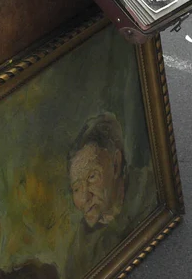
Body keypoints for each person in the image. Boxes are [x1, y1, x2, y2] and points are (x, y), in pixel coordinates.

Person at [64, 113, 156, 278]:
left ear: (116, 164)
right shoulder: (79, 251)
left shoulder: (152, 191)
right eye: (76, 188)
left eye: (92, 177)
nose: (84, 198)